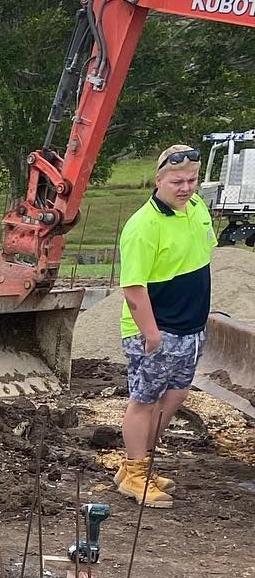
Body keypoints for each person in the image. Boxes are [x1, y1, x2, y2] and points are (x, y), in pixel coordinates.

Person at [116, 143, 216, 509]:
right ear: (159, 179)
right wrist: (151, 334)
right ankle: (134, 473)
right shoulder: (144, 226)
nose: (186, 187)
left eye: (192, 180)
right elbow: (133, 288)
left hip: (190, 328)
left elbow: (200, 258)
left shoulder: (198, 209)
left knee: (173, 398)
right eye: (177, 181)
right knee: (144, 401)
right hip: (157, 330)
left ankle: (138, 464)